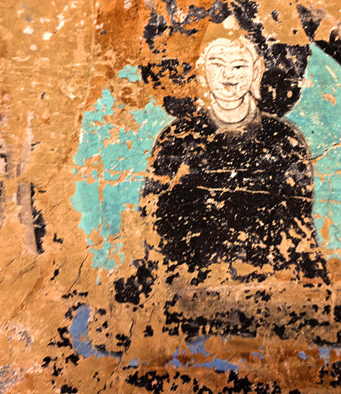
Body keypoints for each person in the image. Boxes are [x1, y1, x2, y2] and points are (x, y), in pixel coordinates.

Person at [140, 34, 328, 283]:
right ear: (201, 70)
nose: (228, 76)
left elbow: (297, 227)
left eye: (239, 66)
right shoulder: (176, 139)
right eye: (217, 65)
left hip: (268, 281)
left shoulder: (285, 140)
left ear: (257, 71)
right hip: (191, 280)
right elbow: (156, 225)